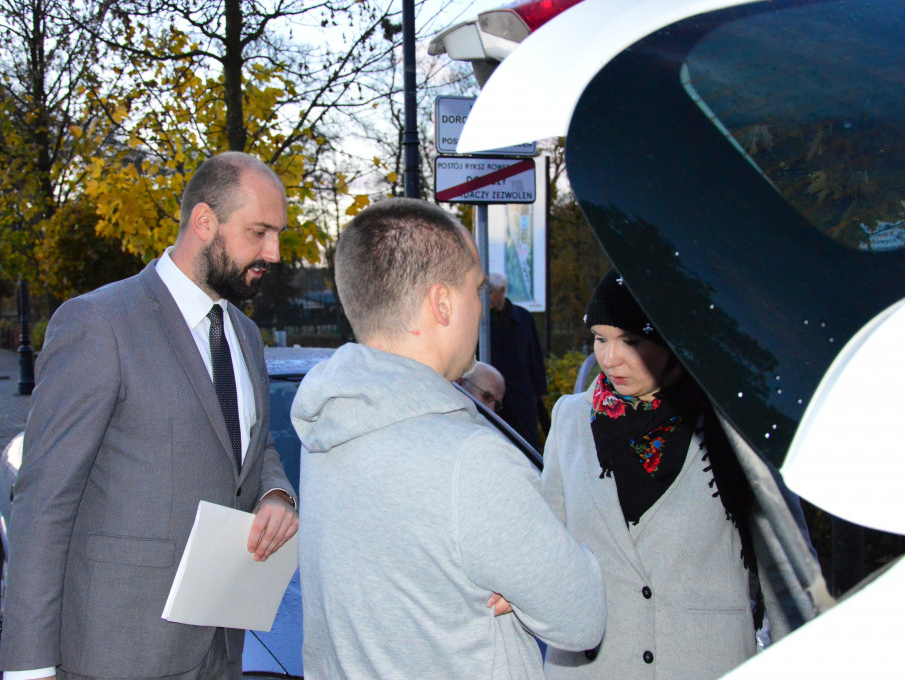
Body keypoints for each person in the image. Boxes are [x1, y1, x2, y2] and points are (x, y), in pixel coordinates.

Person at [0, 152, 299, 680]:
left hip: (221, 647)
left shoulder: (245, 335)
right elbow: (45, 500)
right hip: (119, 653)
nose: (273, 252)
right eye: (259, 232)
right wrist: (29, 666)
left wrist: (275, 492)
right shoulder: (99, 322)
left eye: (277, 234)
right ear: (204, 222)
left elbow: (253, 446)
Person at [292, 198, 606, 680]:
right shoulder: (470, 459)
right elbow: (582, 616)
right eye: (475, 290)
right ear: (441, 303)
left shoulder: (327, 424)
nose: (480, 308)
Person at [541, 269, 764, 679]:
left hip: (708, 662)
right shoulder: (570, 419)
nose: (609, 359)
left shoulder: (734, 426)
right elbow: (547, 546)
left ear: (670, 338)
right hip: (594, 667)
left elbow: (784, 566)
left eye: (631, 341)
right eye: (600, 339)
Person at [489, 272, 549, 448]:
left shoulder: (523, 317)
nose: (487, 297)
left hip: (521, 391)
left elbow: (534, 355)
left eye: (491, 292)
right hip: (494, 393)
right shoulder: (481, 320)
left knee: (526, 441)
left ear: (502, 291)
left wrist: (540, 390)